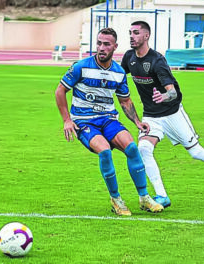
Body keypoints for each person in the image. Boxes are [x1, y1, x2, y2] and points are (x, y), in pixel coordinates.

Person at [120, 21, 204, 208]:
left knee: (196, 152)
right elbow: (117, 75)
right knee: (143, 150)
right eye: (130, 32)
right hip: (150, 116)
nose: (131, 36)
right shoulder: (129, 58)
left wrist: (163, 95)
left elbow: (172, 92)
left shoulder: (157, 61)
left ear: (146, 36)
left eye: (136, 33)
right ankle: (162, 195)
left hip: (172, 114)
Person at [55, 27, 164, 216]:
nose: (101, 48)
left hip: (108, 119)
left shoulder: (119, 72)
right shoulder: (81, 67)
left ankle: (144, 197)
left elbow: (125, 100)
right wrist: (66, 120)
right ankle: (116, 199)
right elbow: (60, 91)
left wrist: (137, 122)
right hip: (84, 121)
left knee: (131, 148)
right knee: (105, 151)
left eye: (106, 44)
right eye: (99, 43)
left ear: (115, 46)